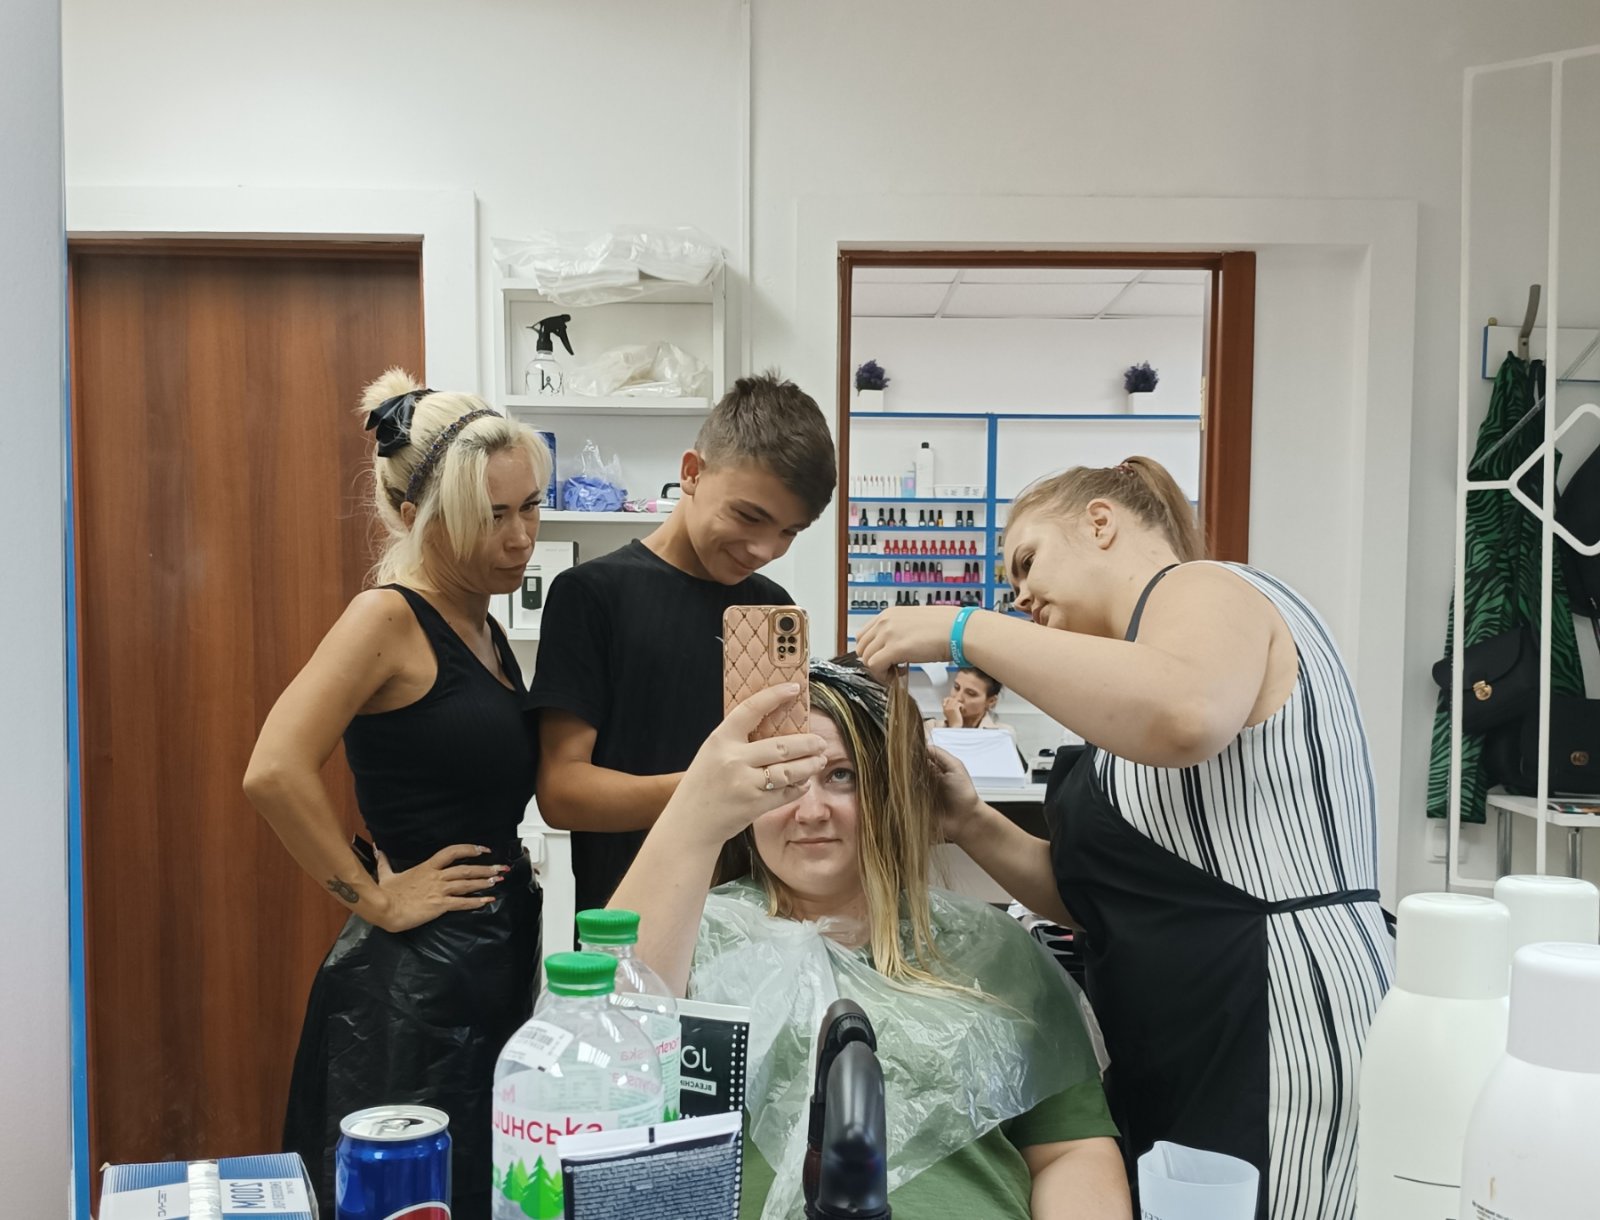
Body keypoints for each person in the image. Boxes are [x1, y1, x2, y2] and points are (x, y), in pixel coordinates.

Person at [856, 456, 1393, 1220]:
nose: (1020, 595)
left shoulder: (1205, 588)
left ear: (1101, 522)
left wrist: (963, 629)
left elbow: (1186, 713)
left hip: (1278, 1022)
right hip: (1186, 1034)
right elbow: (1098, 903)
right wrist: (969, 821)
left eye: (1027, 562)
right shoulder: (1125, 702)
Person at [610, 660, 1131, 1220]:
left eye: (842, 776)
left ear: (891, 791)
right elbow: (607, 1065)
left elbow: (1070, 1149)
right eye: (784, 778)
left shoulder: (993, 950)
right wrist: (694, 811)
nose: (810, 811)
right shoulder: (692, 937)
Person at [244, 370, 550, 1219]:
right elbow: (273, 769)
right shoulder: (387, 619)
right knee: (413, 1198)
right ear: (416, 517)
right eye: (491, 516)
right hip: (415, 989)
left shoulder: (482, 626)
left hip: (490, 959)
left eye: (529, 507)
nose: (520, 537)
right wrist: (376, 898)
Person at [531, 372, 836, 912]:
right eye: (749, 516)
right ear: (692, 473)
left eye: (790, 532)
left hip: (756, 914)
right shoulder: (592, 594)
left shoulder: (771, 607)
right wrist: (709, 793)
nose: (765, 549)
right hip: (628, 917)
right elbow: (562, 792)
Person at [927, 665, 1019, 744]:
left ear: (991, 701)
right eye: (956, 687)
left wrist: (955, 728)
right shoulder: (931, 728)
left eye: (971, 693)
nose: (958, 698)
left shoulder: (1003, 733)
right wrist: (954, 725)